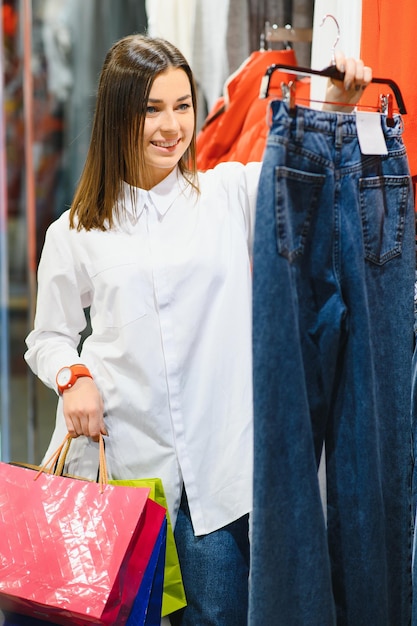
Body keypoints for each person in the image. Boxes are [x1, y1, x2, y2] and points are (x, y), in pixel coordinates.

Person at [24, 34, 371, 626]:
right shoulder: (75, 231)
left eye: (182, 105)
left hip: (220, 479)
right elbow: (47, 337)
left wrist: (336, 102)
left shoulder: (228, 194)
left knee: (219, 615)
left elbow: (306, 175)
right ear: (118, 116)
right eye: (151, 108)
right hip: (125, 474)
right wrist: (72, 375)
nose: (171, 126)